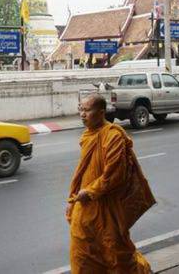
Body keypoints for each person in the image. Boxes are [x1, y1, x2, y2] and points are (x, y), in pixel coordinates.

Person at [66, 94, 155, 274]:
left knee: (116, 253)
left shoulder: (112, 135)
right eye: (80, 109)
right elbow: (82, 171)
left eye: (87, 110)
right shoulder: (88, 135)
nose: (82, 114)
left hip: (107, 207)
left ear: (101, 112)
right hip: (85, 206)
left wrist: (90, 192)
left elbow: (114, 175)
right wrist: (72, 200)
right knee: (82, 254)